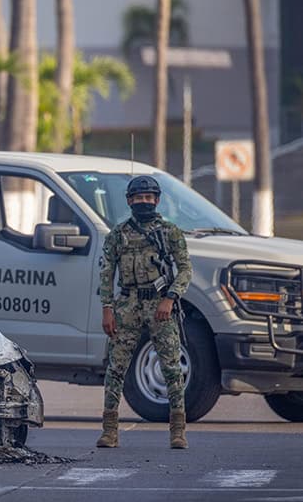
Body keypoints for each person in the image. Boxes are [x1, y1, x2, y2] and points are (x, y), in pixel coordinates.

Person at [96, 175, 192, 449]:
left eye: (149, 198)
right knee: (116, 367)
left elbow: (185, 268)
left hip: (160, 304)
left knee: (172, 367)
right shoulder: (118, 234)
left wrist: (171, 298)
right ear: (129, 201)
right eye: (138, 198)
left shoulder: (170, 232)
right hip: (126, 304)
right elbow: (106, 273)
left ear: (157, 200)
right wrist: (107, 309)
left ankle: (177, 431)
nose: (144, 202)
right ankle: (110, 431)